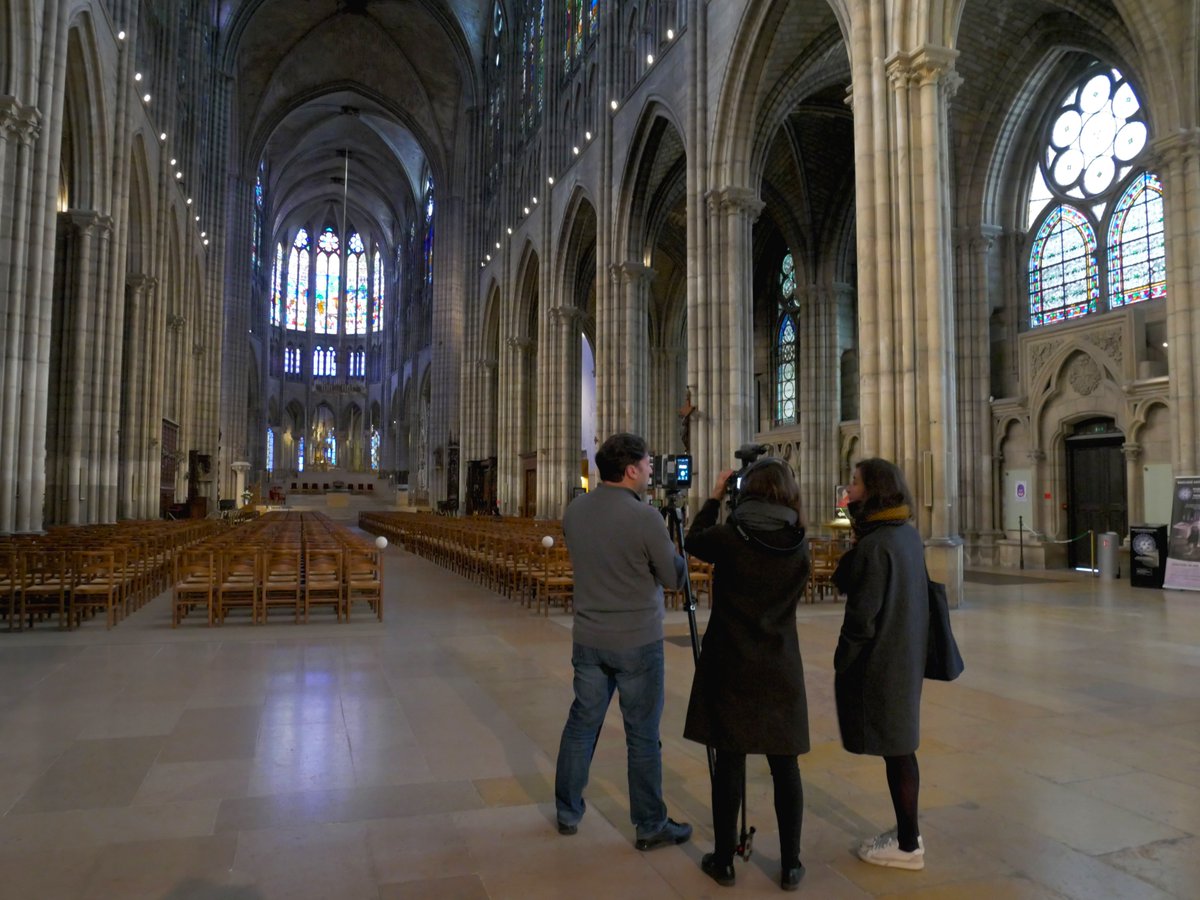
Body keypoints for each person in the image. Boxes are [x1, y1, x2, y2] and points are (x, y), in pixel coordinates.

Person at [554, 432, 692, 851]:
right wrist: (678, 558)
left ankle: (566, 811)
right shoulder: (645, 516)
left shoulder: (575, 511)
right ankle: (650, 823)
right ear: (631, 469)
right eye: (649, 464)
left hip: (589, 636)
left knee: (582, 725)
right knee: (643, 735)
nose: (652, 470)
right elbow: (672, 578)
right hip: (636, 641)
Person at [683, 458, 812, 891]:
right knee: (785, 764)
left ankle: (723, 861)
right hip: (780, 662)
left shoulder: (730, 537)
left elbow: (692, 541)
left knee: (731, 761)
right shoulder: (798, 542)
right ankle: (791, 865)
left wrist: (716, 496)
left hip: (732, 660)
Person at [832, 458, 930, 870]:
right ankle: (907, 833)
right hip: (904, 654)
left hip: (882, 662)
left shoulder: (877, 545)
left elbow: (862, 617)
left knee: (898, 750)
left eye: (854, 483)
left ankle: (908, 846)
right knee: (901, 748)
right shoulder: (904, 534)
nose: (849, 489)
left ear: (872, 490)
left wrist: (842, 660)